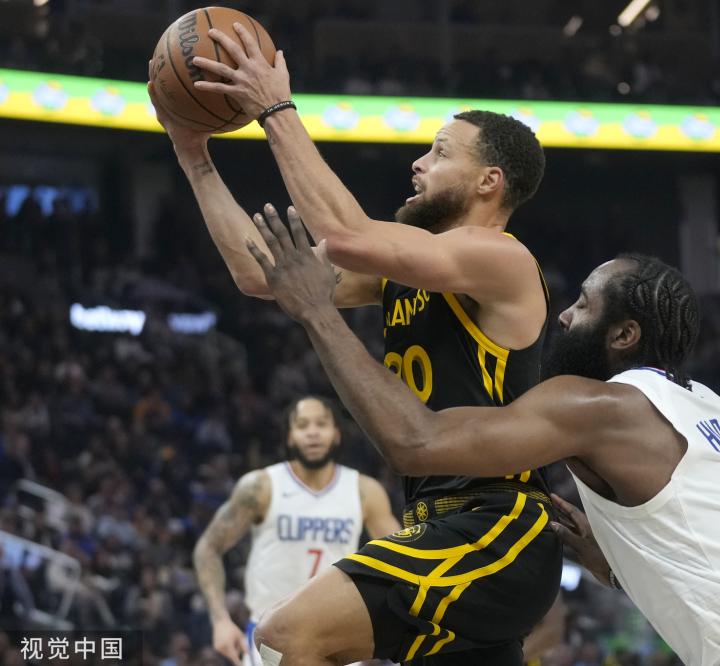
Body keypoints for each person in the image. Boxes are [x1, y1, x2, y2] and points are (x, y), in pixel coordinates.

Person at [243, 211, 720, 666]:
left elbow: (416, 444)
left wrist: (316, 313)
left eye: (585, 304)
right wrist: (620, 561)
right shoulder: (711, 407)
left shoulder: (600, 406)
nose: (563, 313)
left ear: (623, 336)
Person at [148, 25, 563, 665]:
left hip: (495, 525)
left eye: (440, 152)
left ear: (489, 182)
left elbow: (345, 235)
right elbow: (262, 275)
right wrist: (194, 156)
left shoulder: (501, 258)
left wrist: (274, 109)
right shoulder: (403, 270)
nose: (418, 163)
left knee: (287, 637)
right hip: (438, 521)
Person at [193, 396, 399, 666]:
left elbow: (399, 559)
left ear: (336, 435)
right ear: (290, 437)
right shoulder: (261, 486)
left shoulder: (364, 491)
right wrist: (220, 620)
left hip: (338, 639)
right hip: (270, 637)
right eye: (302, 425)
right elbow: (207, 548)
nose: (312, 432)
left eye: (321, 424)